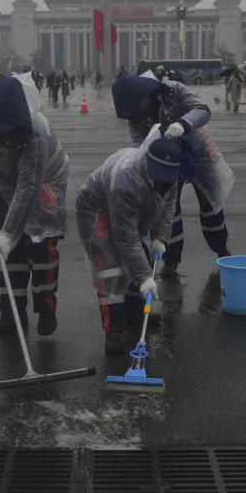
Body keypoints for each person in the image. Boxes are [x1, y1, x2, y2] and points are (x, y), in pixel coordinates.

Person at [0, 74, 68, 336]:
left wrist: (8, 233)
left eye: (4, 126)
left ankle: (45, 308)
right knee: (9, 256)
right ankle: (11, 316)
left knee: (42, 251)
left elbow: (29, 185)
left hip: (44, 184)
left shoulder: (36, 132)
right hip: (6, 182)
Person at [112, 74, 234, 279]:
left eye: (135, 106)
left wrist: (183, 124)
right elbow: (140, 147)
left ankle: (221, 249)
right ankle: (171, 259)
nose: (134, 113)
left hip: (198, 154)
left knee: (210, 205)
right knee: (168, 209)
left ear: (143, 95)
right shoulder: (135, 118)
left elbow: (202, 110)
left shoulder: (172, 91)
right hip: (168, 161)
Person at [76, 133, 182, 353]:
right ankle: (113, 331)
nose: (164, 181)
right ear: (148, 163)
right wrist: (145, 277)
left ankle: (135, 316)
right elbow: (125, 238)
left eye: (167, 178)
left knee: (138, 259)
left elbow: (169, 204)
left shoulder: (171, 175)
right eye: (159, 176)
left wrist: (160, 237)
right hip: (97, 209)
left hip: (130, 210)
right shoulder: (126, 180)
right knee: (111, 270)